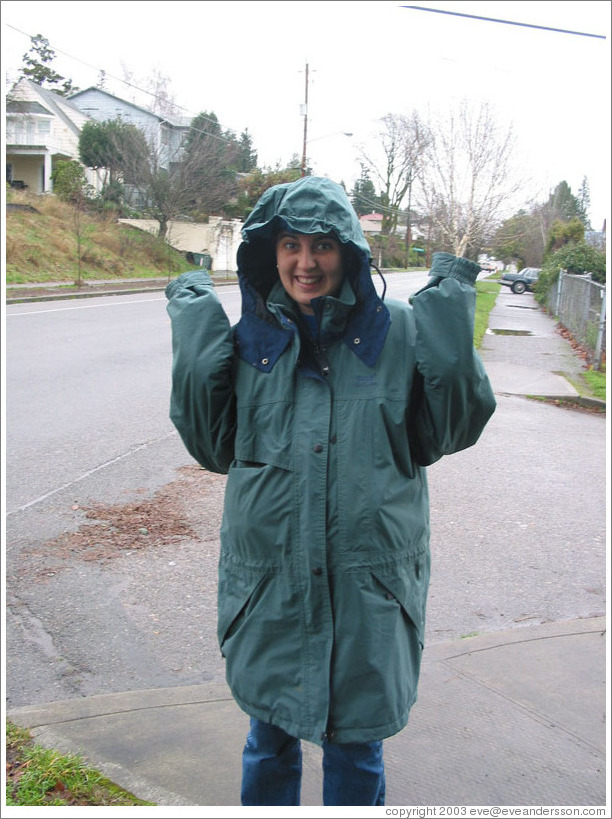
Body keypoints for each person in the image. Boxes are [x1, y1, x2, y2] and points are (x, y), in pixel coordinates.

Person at [165, 176, 496, 806]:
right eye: (290, 245)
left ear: (349, 253)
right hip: (272, 585)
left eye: (322, 246)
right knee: (268, 740)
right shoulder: (249, 344)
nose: (305, 262)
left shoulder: (397, 333)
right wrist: (191, 332)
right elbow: (212, 447)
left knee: (356, 748)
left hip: (366, 589)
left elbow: (448, 429)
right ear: (270, 254)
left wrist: (450, 315)